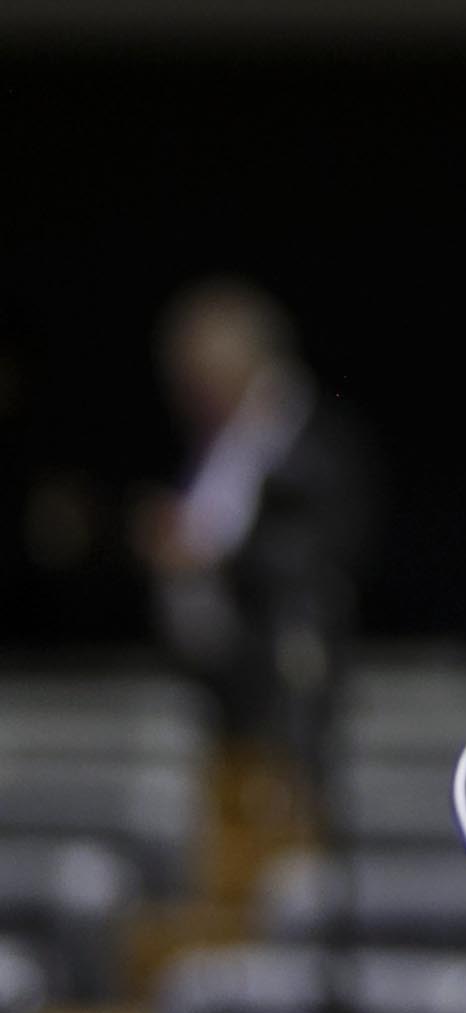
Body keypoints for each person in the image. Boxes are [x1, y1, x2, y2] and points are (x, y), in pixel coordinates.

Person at [137, 278, 376, 777]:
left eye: (206, 376)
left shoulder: (311, 439)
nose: (193, 395)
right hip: (210, 682)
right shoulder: (213, 443)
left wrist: (213, 553)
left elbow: (324, 553)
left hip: (287, 684)